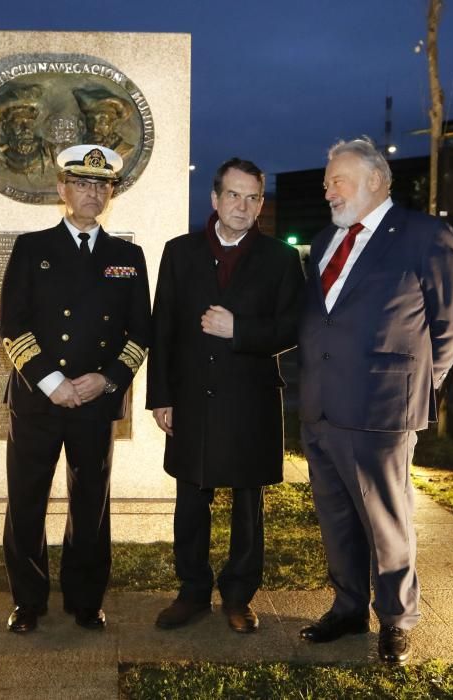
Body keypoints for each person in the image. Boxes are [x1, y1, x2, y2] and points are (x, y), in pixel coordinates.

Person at [297, 138, 453, 664]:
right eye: (327, 182)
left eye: (338, 180)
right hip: (320, 406)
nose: (328, 190)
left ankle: (396, 617)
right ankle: (348, 608)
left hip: (382, 410)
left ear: (376, 179)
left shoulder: (425, 235)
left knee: (385, 520)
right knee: (337, 518)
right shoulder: (326, 239)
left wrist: (417, 382)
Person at [0, 144, 152, 633]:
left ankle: (86, 599)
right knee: (27, 501)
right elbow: (13, 325)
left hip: (95, 401)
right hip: (38, 401)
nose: (92, 192)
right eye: (82, 183)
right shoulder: (32, 248)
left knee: (91, 504)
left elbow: (140, 332)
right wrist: (51, 382)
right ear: (62, 189)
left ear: (111, 193)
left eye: (102, 185)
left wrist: (106, 379)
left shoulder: (127, 256)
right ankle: (28, 601)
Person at [147, 158, 304, 633]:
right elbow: (163, 328)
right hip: (191, 399)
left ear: (261, 203)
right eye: (233, 195)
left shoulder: (281, 258)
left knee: (246, 505)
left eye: (252, 197)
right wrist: (161, 396)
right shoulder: (179, 252)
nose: (242, 205)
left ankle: (238, 596)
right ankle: (191, 592)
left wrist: (240, 331)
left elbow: (294, 326)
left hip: (249, 402)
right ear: (214, 200)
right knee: (191, 501)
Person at [0, 83, 56, 177]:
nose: (26, 129)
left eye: (30, 123)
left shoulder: (48, 152)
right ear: (6, 128)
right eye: (18, 124)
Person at [73, 87, 136, 161]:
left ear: (113, 124)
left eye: (102, 121)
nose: (95, 128)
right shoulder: (81, 151)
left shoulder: (122, 150)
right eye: (90, 121)